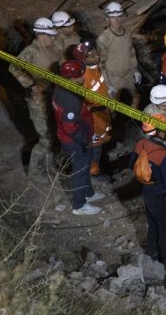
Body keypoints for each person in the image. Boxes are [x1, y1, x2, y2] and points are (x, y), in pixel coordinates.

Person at [129, 113, 166, 275]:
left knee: (153, 224)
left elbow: (131, 165)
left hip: (147, 191)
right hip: (162, 195)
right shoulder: (162, 153)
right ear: (159, 131)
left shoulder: (140, 144)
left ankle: (152, 253)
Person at [9, 17, 61, 181]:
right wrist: (31, 85)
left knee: (53, 133)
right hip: (38, 101)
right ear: (40, 35)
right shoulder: (31, 51)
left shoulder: (52, 48)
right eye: (50, 35)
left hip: (53, 97)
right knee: (45, 139)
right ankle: (34, 173)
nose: (53, 38)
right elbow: (13, 67)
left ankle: (49, 165)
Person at [52, 60, 105, 215]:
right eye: (81, 75)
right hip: (74, 140)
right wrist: (84, 140)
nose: (83, 77)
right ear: (72, 78)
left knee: (86, 164)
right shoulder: (70, 98)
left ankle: (89, 193)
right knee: (80, 170)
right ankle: (79, 205)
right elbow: (70, 126)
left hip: (78, 136)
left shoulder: (60, 87)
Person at [72, 38, 112, 180]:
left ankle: (99, 164)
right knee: (95, 145)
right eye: (92, 55)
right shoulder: (83, 77)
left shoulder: (96, 70)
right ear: (83, 60)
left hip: (103, 111)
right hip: (94, 117)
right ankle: (93, 172)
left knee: (102, 141)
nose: (97, 57)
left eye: (96, 53)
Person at [97, 2, 141, 108]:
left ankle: (132, 120)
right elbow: (101, 64)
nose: (116, 20)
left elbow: (132, 52)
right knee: (115, 106)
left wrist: (135, 70)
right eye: (112, 17)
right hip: (113, 78)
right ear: (107, 19)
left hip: (128, 75)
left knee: (136, 98)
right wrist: (108, 85)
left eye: (119, 16)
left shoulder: (127, 33)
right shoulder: (103, 39)